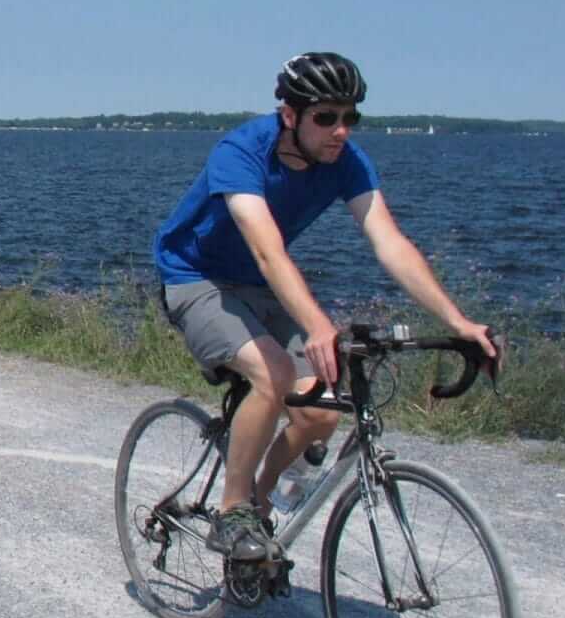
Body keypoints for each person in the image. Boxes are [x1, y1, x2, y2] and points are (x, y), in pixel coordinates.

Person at [152, 52, 499, 561]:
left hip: (261, 287)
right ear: (290, 116)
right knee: (273, 374)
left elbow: (390, 243)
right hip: (196, 279)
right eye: (326, 117)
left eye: (350, 117)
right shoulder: (242, 151)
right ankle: (230, 514)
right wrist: (317, 326)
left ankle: (259, 502)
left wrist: (459, 322)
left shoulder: (346, 163)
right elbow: (267, 249)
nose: (341, 130)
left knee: (319, 412)